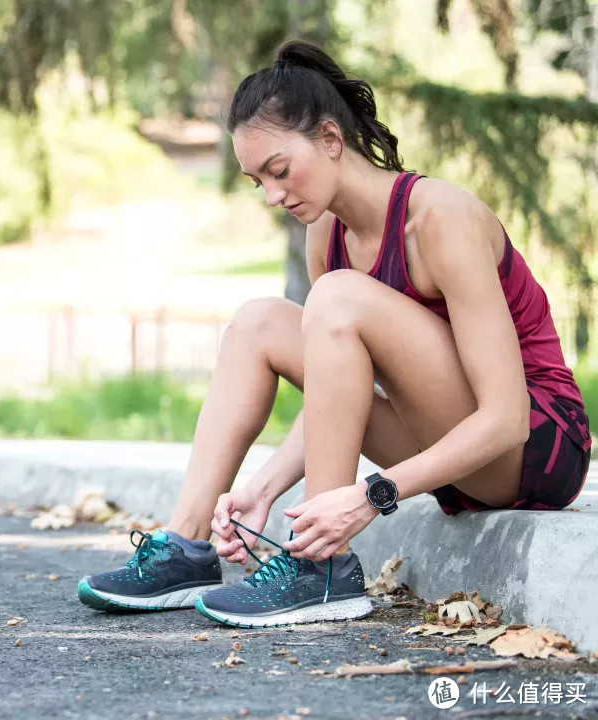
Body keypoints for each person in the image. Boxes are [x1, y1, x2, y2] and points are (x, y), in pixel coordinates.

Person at [77, 39, 591, 628]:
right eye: (256, 182)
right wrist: (263, 489)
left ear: (329, 138)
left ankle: (321, 569)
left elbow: (504, 417)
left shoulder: (439, 219)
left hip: (532, 450)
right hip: (444, 454)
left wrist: (371, 494)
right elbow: (336, 386)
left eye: (279, 171)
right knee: (257, 323)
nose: (273, 196)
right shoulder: (326, 232)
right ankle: (187, 544)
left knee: (336, 297)